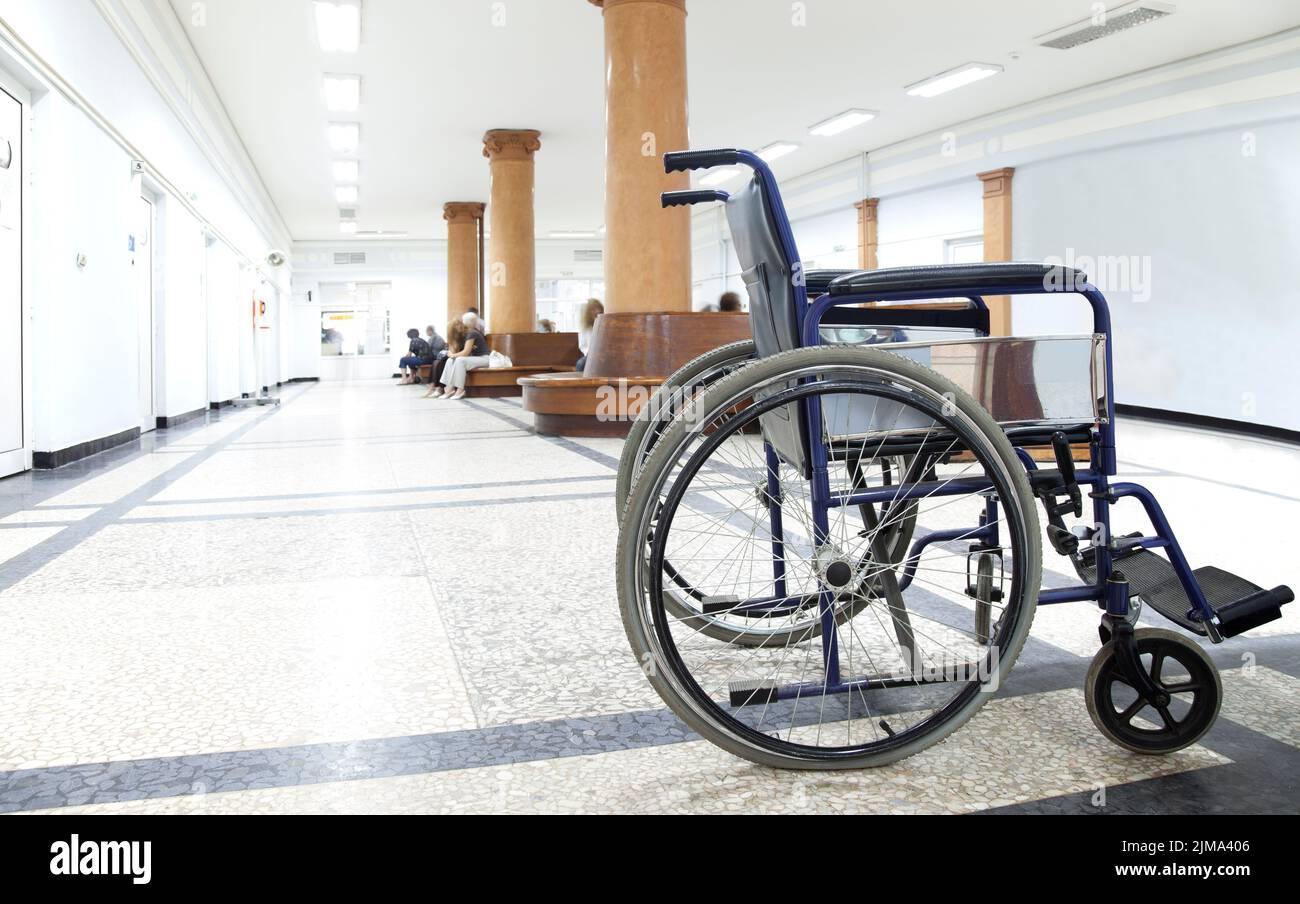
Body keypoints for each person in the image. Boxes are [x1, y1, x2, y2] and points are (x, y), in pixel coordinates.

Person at [434, 318, 491, 401]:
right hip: (473, 359)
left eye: (459, 324)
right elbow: (452, 353)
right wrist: (452, 341)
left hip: (485, 358)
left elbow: (465, 353)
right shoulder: (460, 337)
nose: (459, 327)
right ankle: (449, 388)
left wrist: (453, 355)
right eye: (455, 328)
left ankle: (460, 389)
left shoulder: (471, 333)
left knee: (460, 360)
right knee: (450, 360)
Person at [423, 319, 464, 399]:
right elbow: (451, 350)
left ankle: (440, 388)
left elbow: (455, 350)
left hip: (458, 357)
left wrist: (452, 345)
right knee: (436, 362)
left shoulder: (462, 336)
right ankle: (434, 387)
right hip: (454, 356)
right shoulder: (452, 337)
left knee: (440, 362)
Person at [574, 298, 604, 372]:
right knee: (581, 364)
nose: (597, 311)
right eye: (593, 309)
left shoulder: (604, 325)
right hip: (590, 355)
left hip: (604, 354)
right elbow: (582, 345)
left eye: (598, 308)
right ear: (587, 313)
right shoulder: (585, 328)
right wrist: (589, 353)